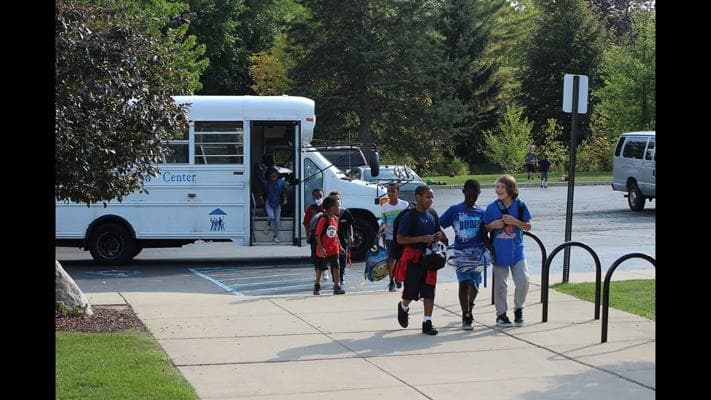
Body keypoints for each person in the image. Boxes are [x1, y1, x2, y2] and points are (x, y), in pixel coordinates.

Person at [395, 185, 447, 335]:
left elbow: (439, 231)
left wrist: (440, 236)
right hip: (414, 258)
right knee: (411, 291)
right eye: (427, 197)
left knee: (429, 290)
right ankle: (404, 306)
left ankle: (427, 322)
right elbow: (400, 238)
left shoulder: (432, 214)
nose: (430, 200)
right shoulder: (409, 216)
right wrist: (421, 239)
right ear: (418, 197)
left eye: (432, 197)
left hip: (430, 258)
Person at [439, 179, 490, 330]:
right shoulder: (455, 210)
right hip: (460, 252)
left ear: (479, 194)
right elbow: (438, 223)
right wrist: (444, 237)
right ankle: (466, 314)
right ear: (463, 192)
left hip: (478, 253)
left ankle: (470, 305)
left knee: (475, 284)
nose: (471, 198)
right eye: (469, 195)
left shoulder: (482, 213)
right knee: (464, 283)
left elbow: (484, 235)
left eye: (475, 196)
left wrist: (492, 249)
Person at [483, 175, 532, 327]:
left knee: (523, 280)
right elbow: (484, 228)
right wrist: (492, 226)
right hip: (499, 251)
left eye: (502, 187)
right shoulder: (492, 208)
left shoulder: (520, 205)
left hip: (517, 250)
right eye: (497, 187)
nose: (498, 190)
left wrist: (515, 221)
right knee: (500, 285)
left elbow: (528, 226)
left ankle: (519, 308)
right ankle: (501, 314)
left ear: (511, 189)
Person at [378, 183, 409, 292]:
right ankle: (392, 281)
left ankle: (400, 278)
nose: (390, 194)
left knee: (403, 259)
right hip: (390, 237)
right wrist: (380, 231)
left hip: (403, 237)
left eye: (393, 191)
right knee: (391, 259)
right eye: (389, 191)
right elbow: (384, 222)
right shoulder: (385, 207)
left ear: (398, 192)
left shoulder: (405, 205)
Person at [313, 195, 346, 295]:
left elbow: (335, 234)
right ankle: (317, 286)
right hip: (324, 249)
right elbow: (317, 235)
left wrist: (340, 246)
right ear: (331, 207)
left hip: (334, 248)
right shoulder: (323, 219)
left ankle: (337, 286)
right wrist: (320, 247)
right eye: (337, 206)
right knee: (321, 268)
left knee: (336, 266)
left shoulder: (335, 219)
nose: (339, 208)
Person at [329, 191, 354, 287]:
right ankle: (335, 278)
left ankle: (341, 276)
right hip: (332, 241)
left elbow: (350, 225)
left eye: (337, 199)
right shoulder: (327, 215)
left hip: (343, 240)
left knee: (343, 258)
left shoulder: (345, 213)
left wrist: (351, 236)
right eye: (333, 200)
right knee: (334, 259)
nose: (336, 201)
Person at [303, 188, 328, 282]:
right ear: (313, 197)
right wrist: (307, 235)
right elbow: (306, 223)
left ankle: (325, 271)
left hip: (324, 235)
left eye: (320, 196)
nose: (318, 198)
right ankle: (317, 273)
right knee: (315, 255)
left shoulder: (326, 208)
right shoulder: (310, 209)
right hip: (314, 234)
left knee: (324, 253)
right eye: (316, 196)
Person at [261, 167, 287, 243]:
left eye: (275, 176)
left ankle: (276, 236)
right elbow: (263, 193)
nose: (273, 178)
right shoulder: (266, 183)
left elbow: (283, 192)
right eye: (271, 177)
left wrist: (285, 199)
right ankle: (268, 224)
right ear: (268, 177)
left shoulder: (280, 182)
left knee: (277, 221)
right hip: (269, 202)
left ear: (277, 176)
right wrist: (262, 199)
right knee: (271, 216)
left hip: (277, 203)